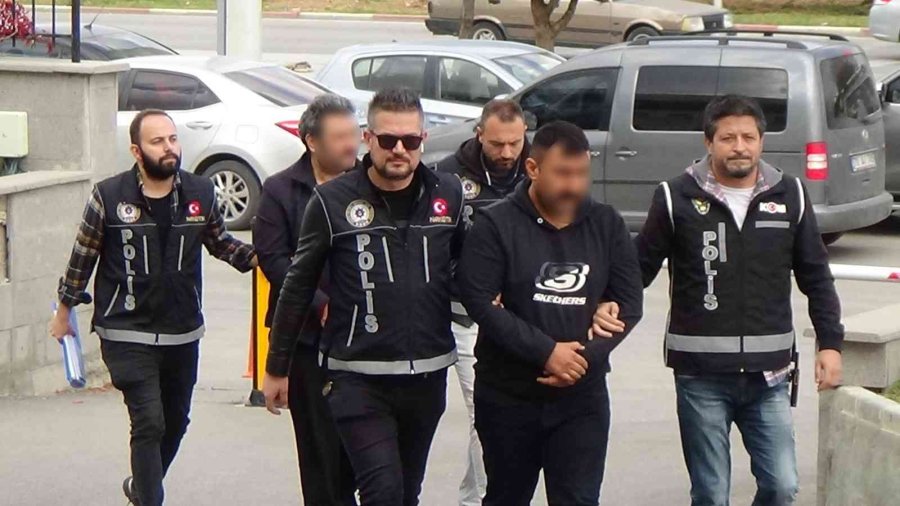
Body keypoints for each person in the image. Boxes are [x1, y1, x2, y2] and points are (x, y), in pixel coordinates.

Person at [595, 95, 844, 506]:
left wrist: (830, 344)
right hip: (701, 376)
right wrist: (608, 301)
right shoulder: (675, 197)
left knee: (782, 486)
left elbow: (816, 276)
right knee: (711, 494)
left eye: (749, 137)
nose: (739, 147)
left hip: (770, 376)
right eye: (728, 138)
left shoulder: (791, 195)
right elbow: (639, 268)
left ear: (762, 141)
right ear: (708, 142)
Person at [262, 88, 465, 506]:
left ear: (423, 140)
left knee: (406, 493)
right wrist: (277, 367)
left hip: (426, 373)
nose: (399, 150)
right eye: (387, 140)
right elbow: (297, 285)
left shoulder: (448, 194)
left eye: (410, 140)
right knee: (382, 491)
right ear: (368, 138)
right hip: (356, 374)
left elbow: (472, 270)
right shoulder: (332, 201)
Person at [50, 109, 257, 506]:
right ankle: (151, 499)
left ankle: (143, 487)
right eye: (157, 141)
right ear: (137, 151)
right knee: (149, 421)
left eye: (172, 139)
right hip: (125, 329)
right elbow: (83, 254)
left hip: (182, 328)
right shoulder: (109, 196)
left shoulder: (200, 192)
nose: (169, 148)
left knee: (176, 422)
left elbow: (221, 243)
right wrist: (64, 311)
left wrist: (263, 258)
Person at [458, 120, 644, 506]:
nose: (573, 185)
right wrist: (546, 352)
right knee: (506, 498)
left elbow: (630, 303)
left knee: (578, 499)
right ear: (533, 168)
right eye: (562, 173)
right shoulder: (496, 224)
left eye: (581, 174)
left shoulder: (606, 224)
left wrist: (581, 359)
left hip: (582, 399)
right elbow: (479, 300)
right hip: (507, 397)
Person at [252, 94, 361, 506]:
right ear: (312, 141)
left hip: (363, 339)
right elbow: (274, 260)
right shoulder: (281, 190)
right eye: (340, 137)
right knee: (320, 455)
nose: (351, 145)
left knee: (364, 455)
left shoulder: (369, 185)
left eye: (354, 134)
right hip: (308, 340)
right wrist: (320, 303)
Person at [433, 98, 528, 506]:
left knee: (493, 417)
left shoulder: (536, 169)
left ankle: (474, 497)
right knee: (482, 413)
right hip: (461, 317)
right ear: (479, 135)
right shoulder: (448, 176)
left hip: (516, 318)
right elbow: (436, 247)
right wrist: (474, 284)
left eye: (514, 143)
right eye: (497, 144)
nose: (506, 152)